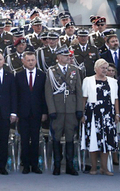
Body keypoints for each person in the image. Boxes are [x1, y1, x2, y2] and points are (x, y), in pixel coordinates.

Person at [45, 47, 83, 176]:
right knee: (56, 137)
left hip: (71, 109)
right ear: (59, 57)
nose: (68, 57)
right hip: (58, 108)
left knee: (70, 137)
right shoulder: (51, 71)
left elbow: (79, 91)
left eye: (69, 55)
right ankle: (57, 164)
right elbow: (49, 93)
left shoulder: (74, 70)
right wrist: (51, 110)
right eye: (65, 55)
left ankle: (70, 165)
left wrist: (79, 109)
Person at [81, 58, 119, 176]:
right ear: (96, 69)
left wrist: (117, 113)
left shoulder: (113, 81)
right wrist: (81, 113)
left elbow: (116, 99)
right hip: (92, 113)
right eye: (102, 68)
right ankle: (93, 167)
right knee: (93, 140)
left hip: (108, 114)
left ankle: (104, 168)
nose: (105, 70)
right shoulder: (88, 80)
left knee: (106, 141)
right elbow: (84, 98)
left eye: (106, 68)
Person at [15, 51, 47, 174]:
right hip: (22, 113)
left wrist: (44, 112)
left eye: (32, 60)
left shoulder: (42, 75)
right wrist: (16, 112)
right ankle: (26, 165)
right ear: (23, 61)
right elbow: (16, 95)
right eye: (28, 60)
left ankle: (35, 165)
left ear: (36, 61)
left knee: (35, 139)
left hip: (37, 112)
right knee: (24, 139)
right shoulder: (18, 75)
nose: (30, 62)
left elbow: (44, 96)